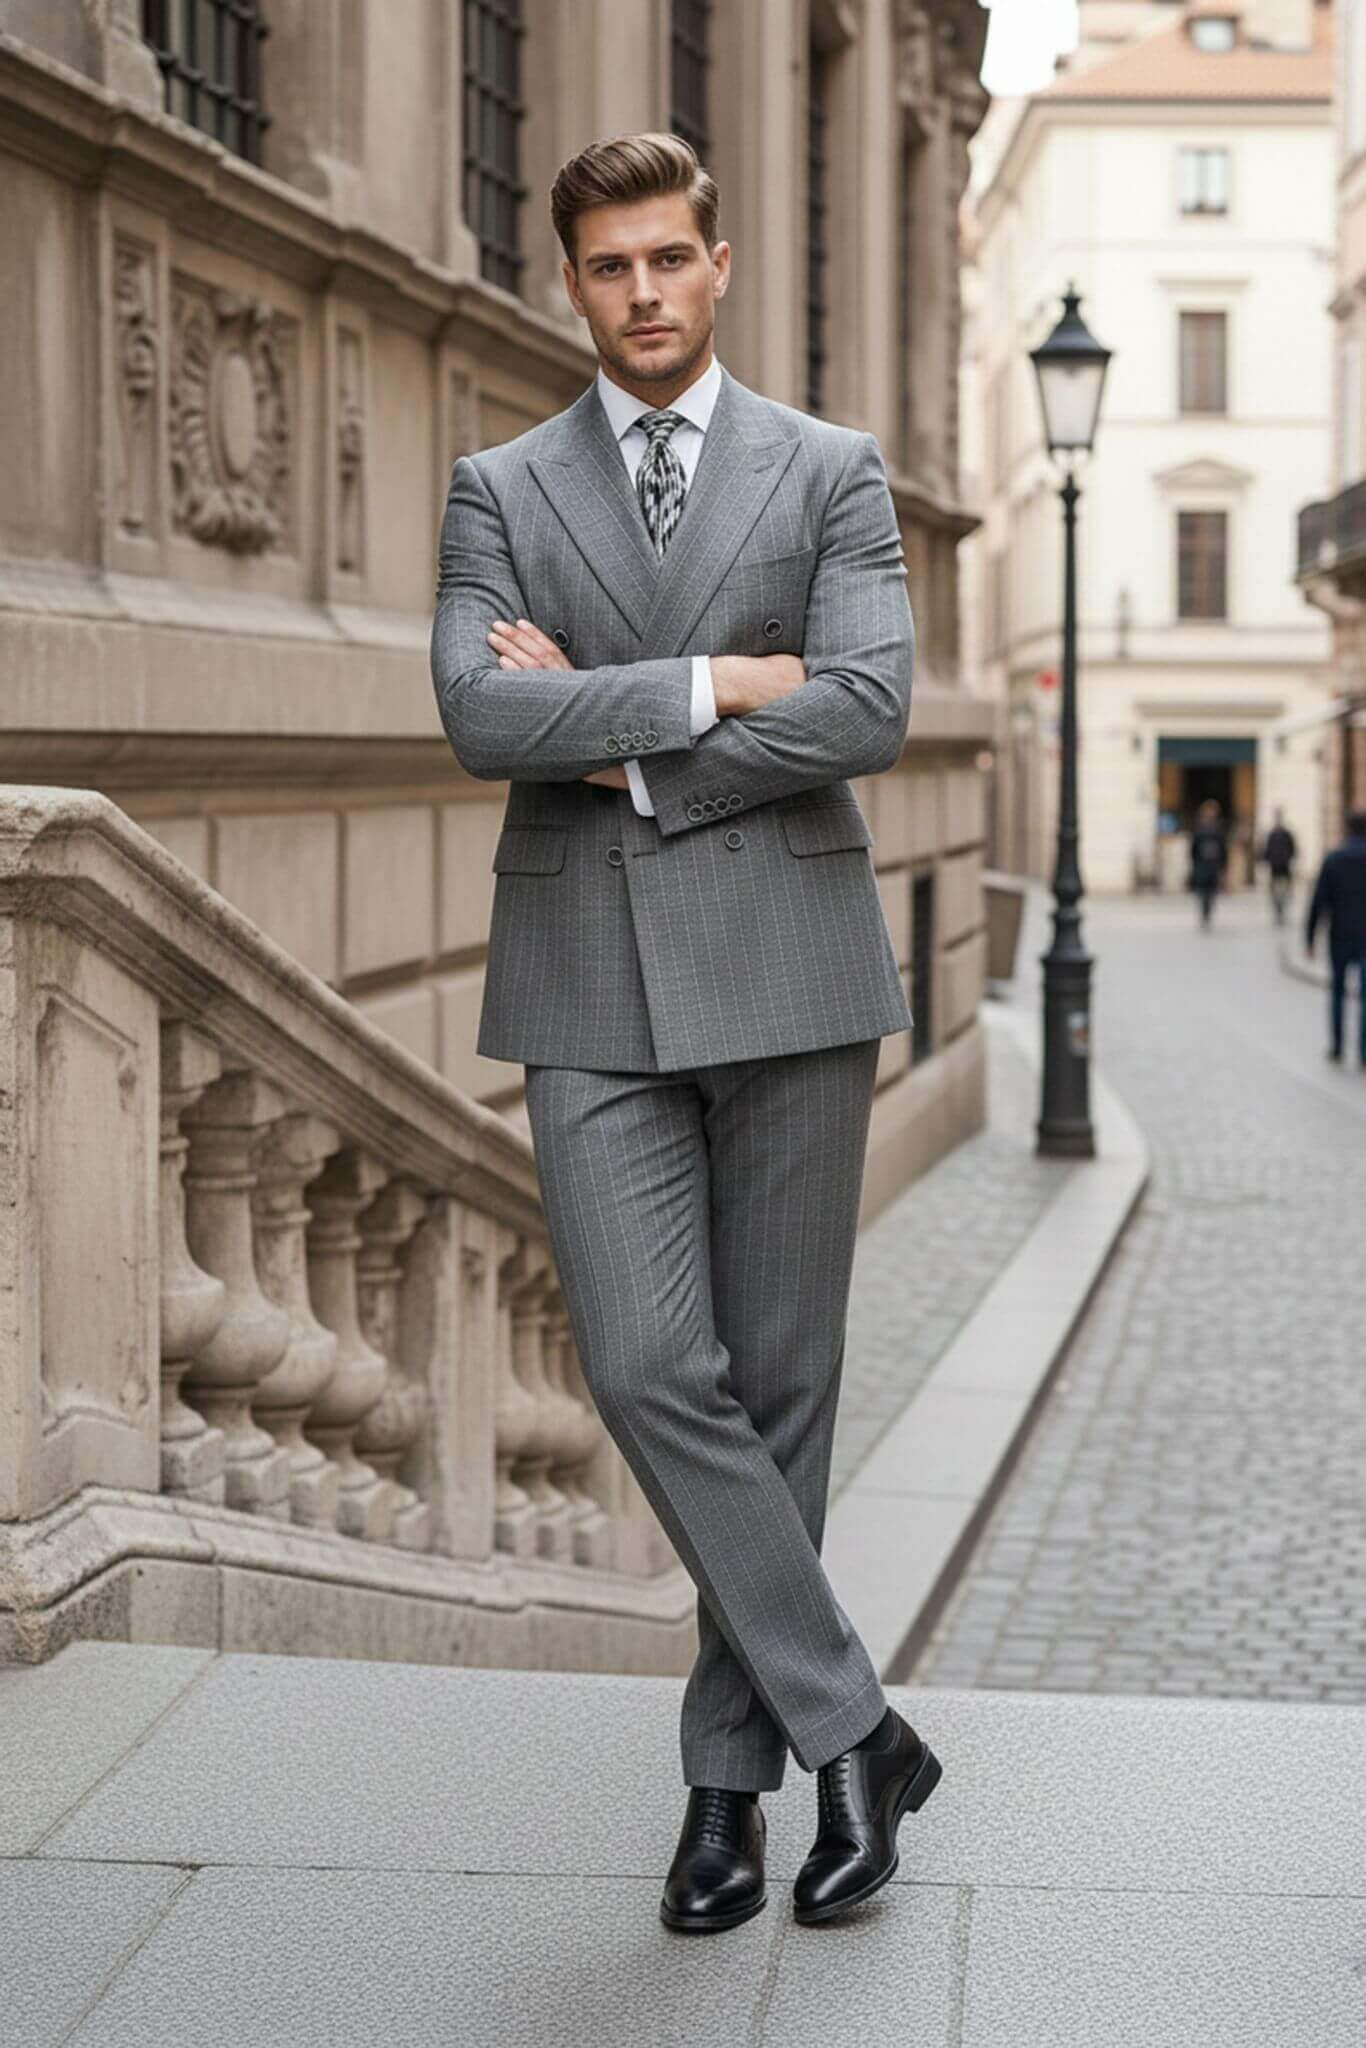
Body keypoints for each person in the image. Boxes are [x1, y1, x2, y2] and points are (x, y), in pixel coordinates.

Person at [429, 133, 940, 1936]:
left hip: (795, 971)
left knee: (781, 1385)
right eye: (607, 267)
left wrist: (612, 725)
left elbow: (873, 704)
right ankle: (856, 1722)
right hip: (587, 980)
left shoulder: (831, 470)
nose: (641, 293)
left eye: (667, 259)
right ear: (569, 284)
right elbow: (481, 717)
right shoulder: (498, 482)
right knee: (649, 1367)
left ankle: (726, 1791)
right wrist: (724, 679)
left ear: (716, 265)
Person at [1305, 810, 1366, 1066]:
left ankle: (1338, 1047)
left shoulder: (1333, 859)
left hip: (1339, 934)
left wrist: (1309, 937)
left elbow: (1318, 901)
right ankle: (1364, 1051)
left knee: (1338, 992)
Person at [1188, 799, 1228, 929]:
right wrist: (1194, 862)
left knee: (1212, 891)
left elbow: (1223, 847)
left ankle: (1208, 912)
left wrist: (1223, 863)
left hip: (1213, 865)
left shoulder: (1218, 829)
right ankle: (1204, 913)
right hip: (1202, 864)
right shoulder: (1199, 828)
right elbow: (1194, 847)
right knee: (1202, 891)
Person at [1259, 809, 1297, 926]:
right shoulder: (1272, 834)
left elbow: (1293, 848)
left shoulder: (1286, 834)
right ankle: (1278, 909)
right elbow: (1266, 850)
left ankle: (1281, 907)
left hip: (1283, 866)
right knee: (1275, 890)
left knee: (1284, 890)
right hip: (1275, 866)